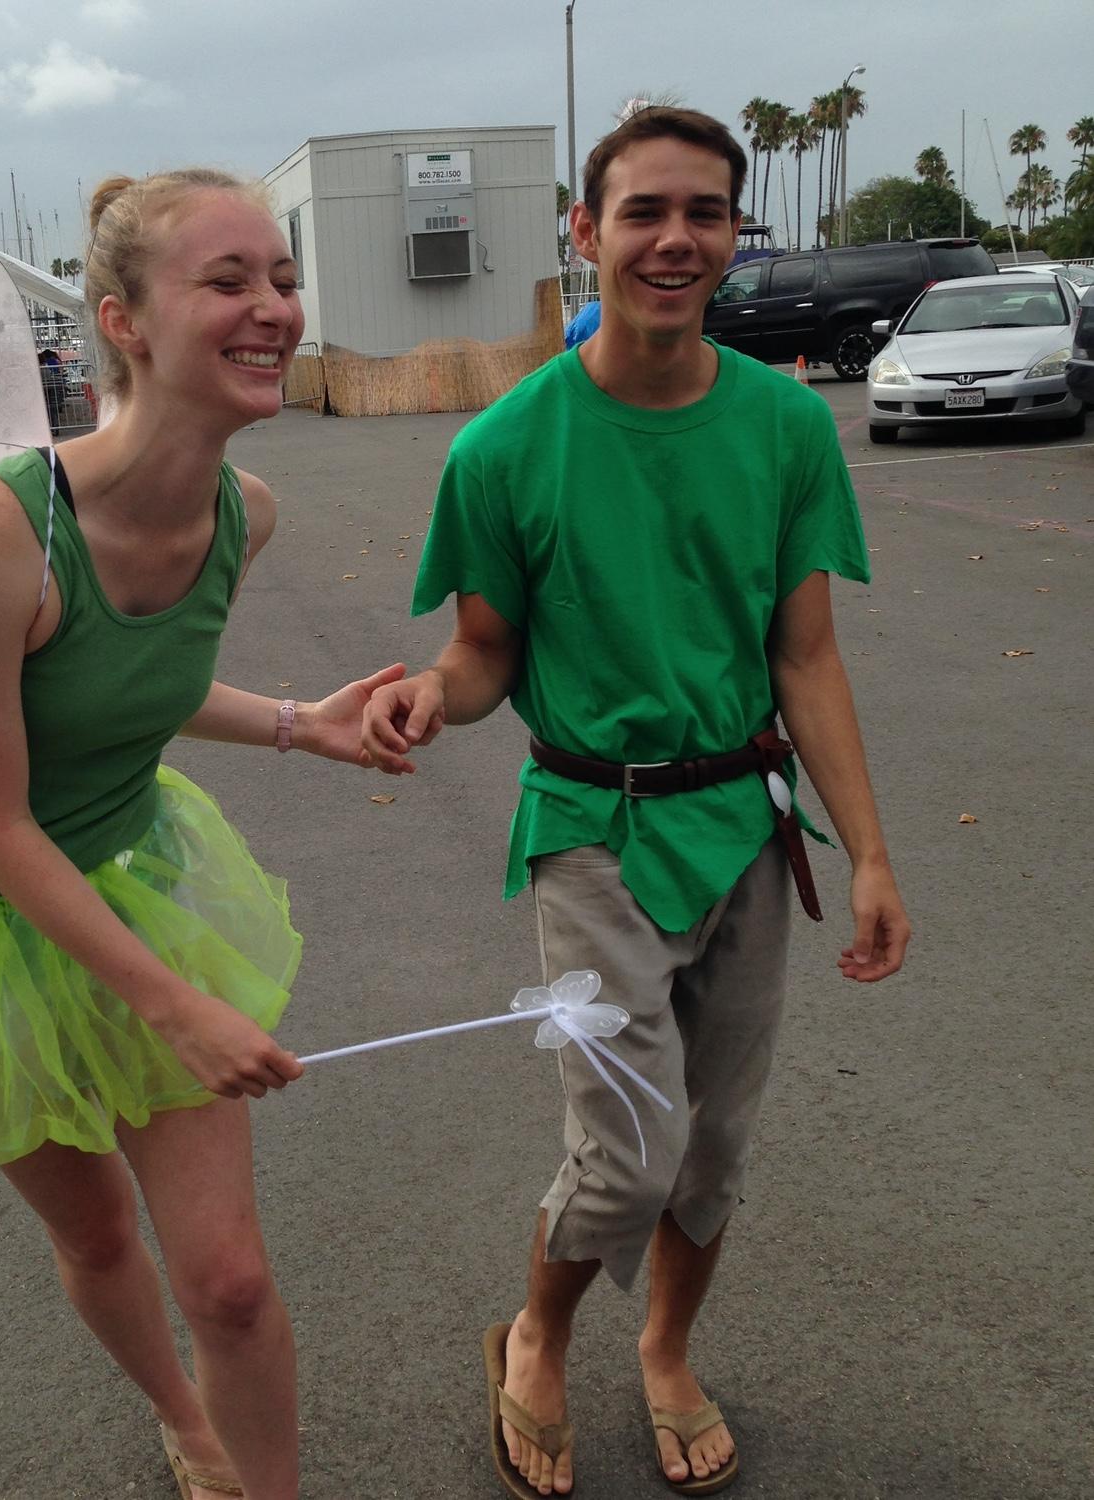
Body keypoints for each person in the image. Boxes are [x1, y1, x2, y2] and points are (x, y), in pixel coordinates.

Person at [0, 167, 404, 1500]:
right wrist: (179, 1008)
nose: (272, 307)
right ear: (124, 321)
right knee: (102, 1235)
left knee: (226, 1278)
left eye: (280, 278)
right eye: (227, 282)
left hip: (134, 883)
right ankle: (181, 1418)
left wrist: (298, 723)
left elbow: (128, 695)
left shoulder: (244, 515)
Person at [362, 107, 910, 1498]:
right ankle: (536, 1340)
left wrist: (874, 860)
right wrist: (435, 689)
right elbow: (486, 650)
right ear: (584, 231)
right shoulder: (503, 449)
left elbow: (805, 654)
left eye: (706, 214)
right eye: (645, 211)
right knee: (628, 1150)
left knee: (714, 1143)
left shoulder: (785, 425)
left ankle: (667, 1348)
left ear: (733, 234)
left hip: (746, 823)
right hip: (593, 833)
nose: (676, 240)